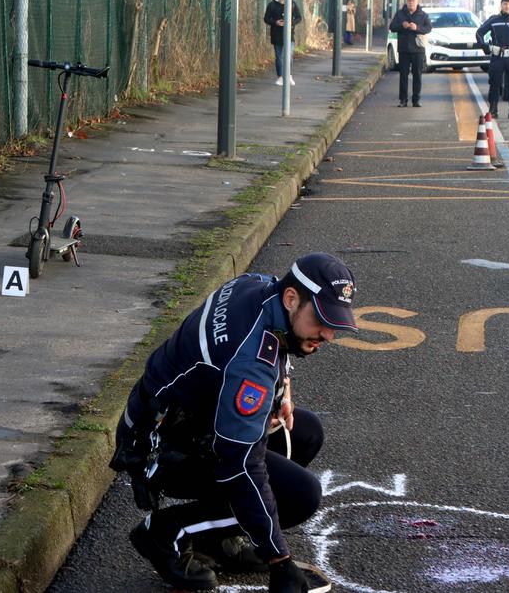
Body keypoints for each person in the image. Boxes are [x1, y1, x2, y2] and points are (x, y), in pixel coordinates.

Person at [110, 253, 358, 592]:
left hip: (173, 419)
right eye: (321, 320)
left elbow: (269, 346)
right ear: (291, 299)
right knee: (300, 496)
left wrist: (282, 388)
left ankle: (220, 538)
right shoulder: (250, 366)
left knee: (305, 432)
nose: (328, 335)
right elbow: (241, 466)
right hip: (159, 449)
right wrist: (280, 563)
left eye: (335, 323)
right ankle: (167, 532)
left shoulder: (257, 285)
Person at [387, 0, 432, 107]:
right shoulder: (400, 14)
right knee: (403, 76)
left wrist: (417, 28)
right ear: (406, 2)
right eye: (409, 0)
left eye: (413, 1)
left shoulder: (423, 15)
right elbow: (392, 27)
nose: (411, 2)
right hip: (404, 49)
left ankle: (416, 100)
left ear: (417, 2)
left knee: (417, 75)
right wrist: (402, 25)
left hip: (418, 50)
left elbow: (429, 28)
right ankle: (403, 100)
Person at [263, 0, 302, 87]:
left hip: (289, 35)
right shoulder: (272, 5)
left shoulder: (292, 3)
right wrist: (275, 22)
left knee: (289, 56)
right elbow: (266, 18)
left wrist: (291, 23)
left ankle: (288, 75)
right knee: (279, 57)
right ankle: (280, 77)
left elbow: (299, 17)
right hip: (277, 35)